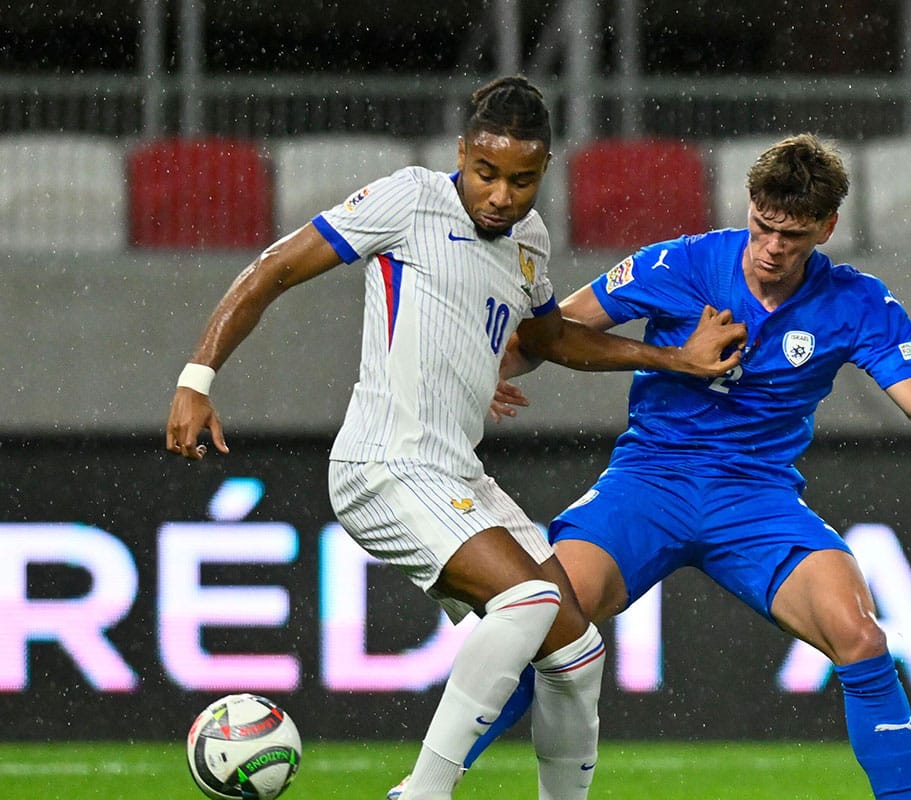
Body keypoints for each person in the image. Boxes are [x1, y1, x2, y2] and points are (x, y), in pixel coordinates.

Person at [164, 75, 746, 800]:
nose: (502, 195)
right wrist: (198, 376)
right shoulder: (410, 198)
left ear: (544, 171)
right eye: (487, 173)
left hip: (455, 472)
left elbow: (552, 336)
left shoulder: (528, 242)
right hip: (384, 463)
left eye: (522, 180)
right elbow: (273, 269)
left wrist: (673, 359)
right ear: (463, 152)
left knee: (576, 648)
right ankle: (424, 793)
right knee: (530, 603)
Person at [449, 133, 911, 800]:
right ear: (750, 206)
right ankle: (429, 785)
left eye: (795, 234)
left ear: (827, 228)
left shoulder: (858, 302)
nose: (773, 247)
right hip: (649, 483)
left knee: (863, 639)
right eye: (764, 226)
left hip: (756, 499)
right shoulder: (682, 262)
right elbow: (555, 330)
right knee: (535, 624)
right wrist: (491, 363)